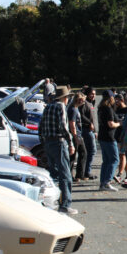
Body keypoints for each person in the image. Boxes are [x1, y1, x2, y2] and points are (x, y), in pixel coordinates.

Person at [39, 86, 77, 215]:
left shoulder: (48, 106)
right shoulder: (61, 107)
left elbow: (41, 126)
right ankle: (65, 204)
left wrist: (43, 141)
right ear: (65, 98)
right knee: (65, 174)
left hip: (48, 142)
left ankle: (52, 201)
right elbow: (64, 127)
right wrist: (71, 142)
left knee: (53, 173)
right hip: (59, 142)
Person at [96, 90, 121, 191]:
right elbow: (110, 124)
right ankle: (107, 181)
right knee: (115, 159)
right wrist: (119, 124)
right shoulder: (108, 109)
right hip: (109, 137)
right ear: (111, 98)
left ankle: (102, 182)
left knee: (106, 161)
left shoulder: (100, 108)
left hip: (102, 136)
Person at [67, 92, 87, 181]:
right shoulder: (73, 110)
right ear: (78, 100)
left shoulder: (74, 108)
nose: (83, 102)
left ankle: (78, 174)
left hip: (77, 134)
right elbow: (72, 124)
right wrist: (75, 136)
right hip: (76, 135)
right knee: (76, 155)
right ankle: (73, 175)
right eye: (82, 100)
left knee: (80, 154)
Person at [115, 93, 127, 186]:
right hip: (118, 136)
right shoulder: (115, 110)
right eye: (115, 100)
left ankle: (119, 174)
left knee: (123, 155)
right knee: (124, 156)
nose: (116, 102)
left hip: (126, 136)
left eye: (118, 100)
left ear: (123, 100)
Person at [80, 87, 97, 180]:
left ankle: (86, 171)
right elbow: (81, 115)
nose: (93, 95)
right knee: (92, 150)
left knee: (89, 151)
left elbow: (93, 118)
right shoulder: (84, 103)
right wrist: (89, 123)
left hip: (91, 130)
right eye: (91, 94)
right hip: (86, 129)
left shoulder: (91, 103)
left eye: (94, 94)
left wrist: (95, 131)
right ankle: (87, 171)